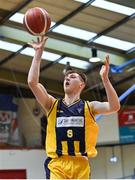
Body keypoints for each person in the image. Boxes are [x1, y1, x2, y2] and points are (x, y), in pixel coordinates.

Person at [27, 36, 120, 179]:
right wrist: (38, 54)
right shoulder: (52, 104)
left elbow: (114, 107)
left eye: (73, 77)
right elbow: (32, 82)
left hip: (81, 164)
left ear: (81, 85)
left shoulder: (90, 107)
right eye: (66, 77)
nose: (67, 78)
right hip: (57, 164)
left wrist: (106, 80)